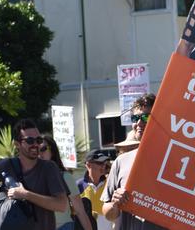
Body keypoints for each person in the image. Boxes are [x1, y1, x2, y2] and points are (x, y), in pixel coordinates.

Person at [0, 118, 68, 230]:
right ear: (17, 144)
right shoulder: (7, 164)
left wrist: (26, 194)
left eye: (38, 140)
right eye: (30, 141)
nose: (35, 144)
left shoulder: (49, 168)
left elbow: (62, 205)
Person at [101, 93, 166, 230]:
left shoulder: (173, 160)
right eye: (135, 118)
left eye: (146, 117)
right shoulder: (121, 161)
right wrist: (115, 204)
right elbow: (108, 214)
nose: (139, 123)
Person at [39, 135, 94, 230]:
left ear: (52, 151)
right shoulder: (30, 179)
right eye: (36, 150)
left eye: (43, 149)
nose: (40, 153)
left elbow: (80, 211)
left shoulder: (65, 177)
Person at [78, 149, 113, 230]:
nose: (103, 166)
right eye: (99, 163)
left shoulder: (111, 184)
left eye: (104, 163)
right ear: (88, 165)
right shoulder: (78, 186)